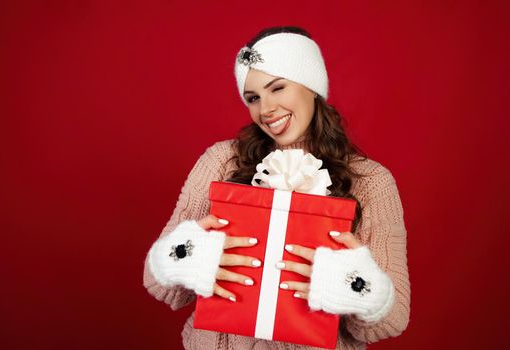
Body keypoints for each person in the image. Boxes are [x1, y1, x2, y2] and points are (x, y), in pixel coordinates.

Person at [143, 26, 410, 349]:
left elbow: (392, 319)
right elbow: (157, 282)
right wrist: (184, 258)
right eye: (253, 98)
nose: (265, 109)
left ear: (312, 87)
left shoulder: (371, 182)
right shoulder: (221, 161)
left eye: (278, 88)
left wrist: (359, 286)